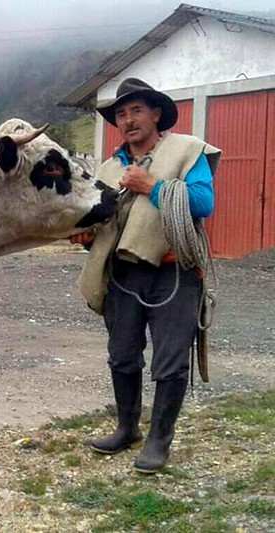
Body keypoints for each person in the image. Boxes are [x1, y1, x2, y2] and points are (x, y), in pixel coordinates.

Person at [72, 78, 220, 474]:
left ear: (156, 113)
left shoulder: (188, 151)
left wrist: (152, 185)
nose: (128, 119)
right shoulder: (108, 167)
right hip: (122, 273)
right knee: (122, 355)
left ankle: (159, 441)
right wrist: (85, 236)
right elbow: (101, 224)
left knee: (170, 362)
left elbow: (203, 202)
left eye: (136, 110)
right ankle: (127, 428)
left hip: (175, 272)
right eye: (121, 114)